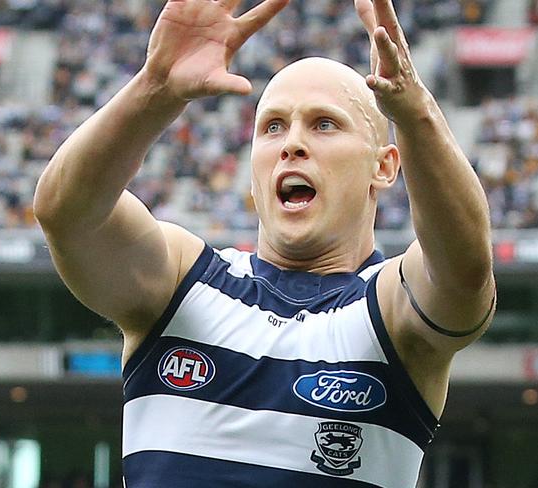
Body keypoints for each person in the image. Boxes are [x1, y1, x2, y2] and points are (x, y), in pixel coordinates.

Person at [34, 0, 496, 486]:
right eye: (273, 126)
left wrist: (414, 111)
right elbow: (67, 215)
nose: (291, 143)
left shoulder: (390, 311)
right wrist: (155, 88)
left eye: (324, 124)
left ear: (382, 167)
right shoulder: (180, 283)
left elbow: (463, 269)